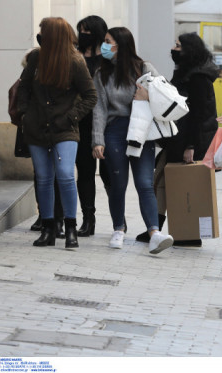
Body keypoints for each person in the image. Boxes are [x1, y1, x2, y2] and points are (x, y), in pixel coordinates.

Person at [16, 17, 97, 249]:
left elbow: (91, 96)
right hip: (36, 127)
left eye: (43, 31)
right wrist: (24, 114)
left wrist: (71, 117)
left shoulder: (75, 61)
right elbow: (23, 88)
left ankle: (71, 227)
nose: (39, 35)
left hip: (65, 128)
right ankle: (49, 228)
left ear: (54, 35)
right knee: (43, 178)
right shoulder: (36, 58)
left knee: (65, 174)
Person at [92, 27, 174, 254]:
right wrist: (97, 140)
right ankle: (118, 229)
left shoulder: (144, 68)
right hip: (115, 130)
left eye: (108, 42)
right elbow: (99, 108)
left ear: (121, 44)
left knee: (145, 183)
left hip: (142, 130)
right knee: (118, 184)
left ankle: (154, 233)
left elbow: (166, 93)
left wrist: (148, 95)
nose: (104, 46)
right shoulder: (102, 74)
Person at [136, 32, 219, 247]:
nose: (174, 48)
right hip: (178, 138)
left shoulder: (198, 78)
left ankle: (186, 232)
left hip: (188, 141)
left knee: (174, 185)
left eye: (178, 45)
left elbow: (198, 115)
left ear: (189, 50)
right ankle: (158, 228)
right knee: (162, 183)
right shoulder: (188, 73)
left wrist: (191, 146)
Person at [74, 15, 111, 237]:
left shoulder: (107, 55)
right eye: (80, 31)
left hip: (106, 123)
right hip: (81, 123)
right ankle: (89, 219)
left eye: (87, 31)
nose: (82, 35)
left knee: (110, 174)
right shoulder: (76, 55)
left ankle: (119, 217)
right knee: (85, 173)